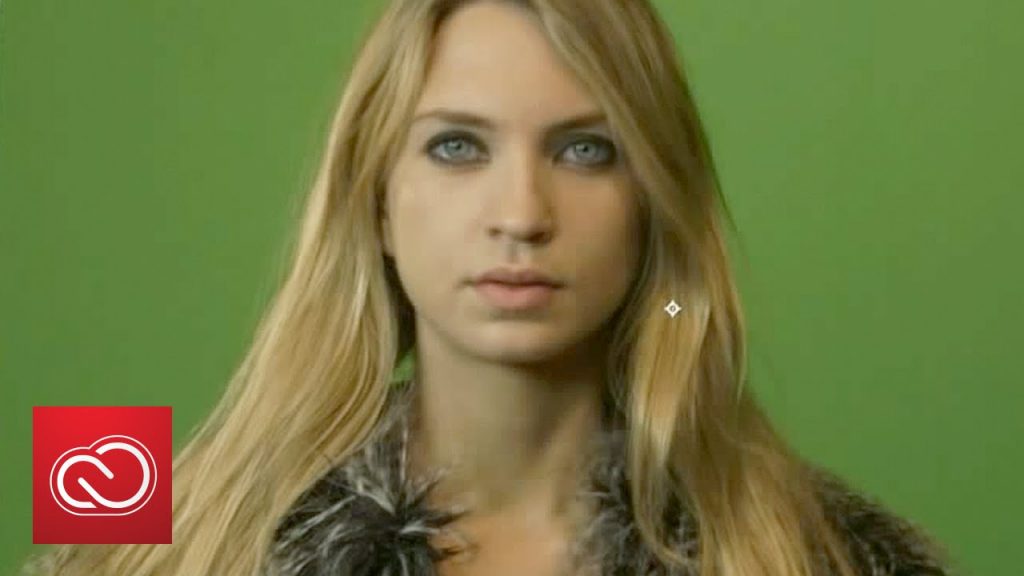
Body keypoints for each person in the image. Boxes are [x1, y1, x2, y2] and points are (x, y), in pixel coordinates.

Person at [25, 0, 956, 574]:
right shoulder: (136, 533)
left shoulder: (832, 555)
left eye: (585, 151)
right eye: (456, 146)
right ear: (377, 203)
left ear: (652, 211)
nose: (520, 214)